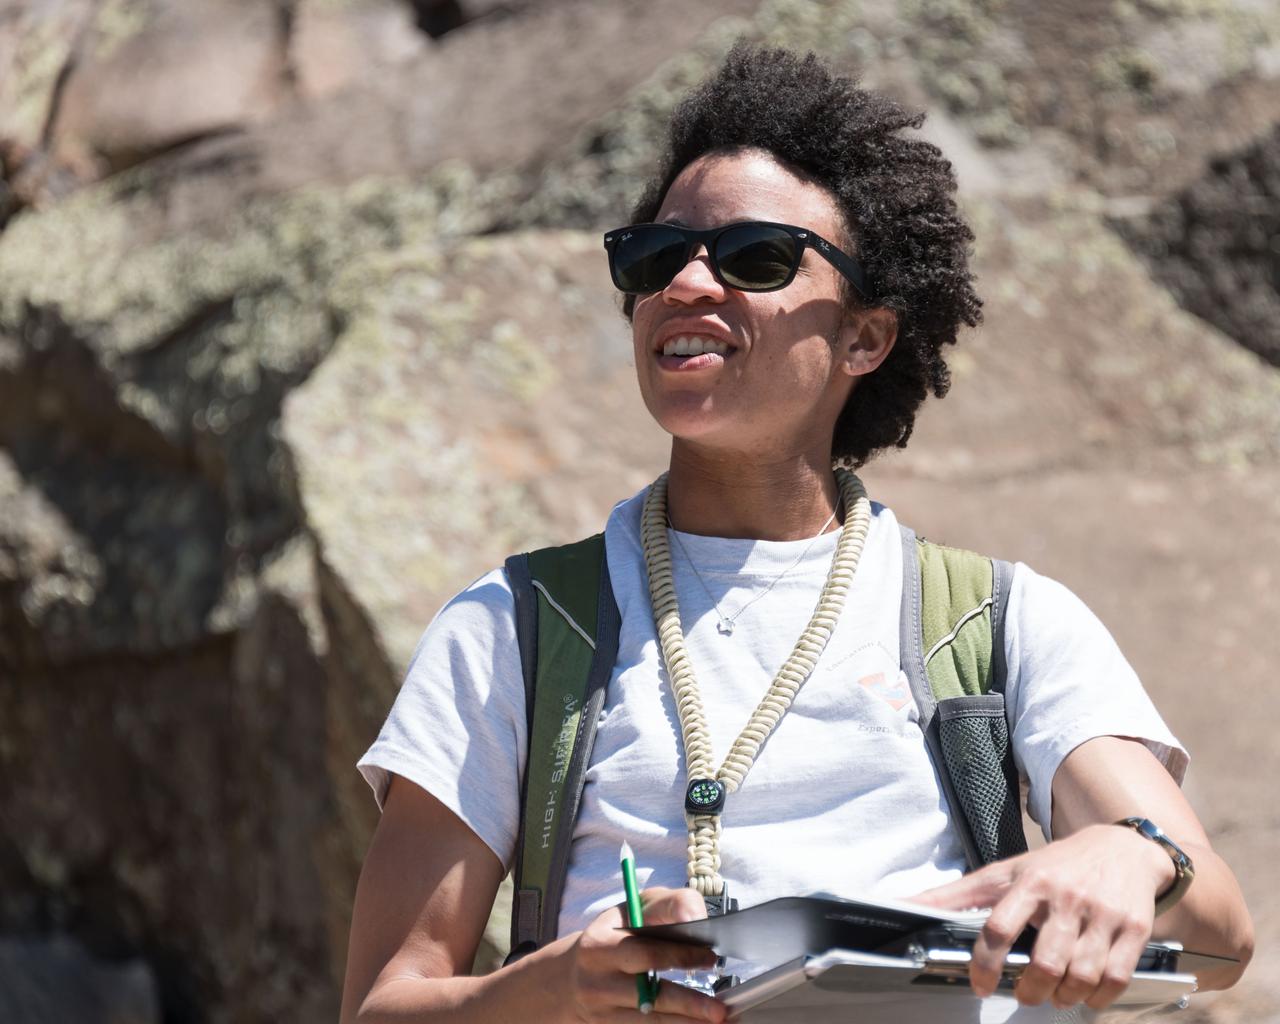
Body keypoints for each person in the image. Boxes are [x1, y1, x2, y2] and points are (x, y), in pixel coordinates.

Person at [339, 44, 1254, 1024]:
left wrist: (1130, 851)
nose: (686, 284)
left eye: (754, 257)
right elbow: (381, 1003)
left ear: (865, 337)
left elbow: (1215, 932)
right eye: (655, 258)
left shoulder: (999, 618)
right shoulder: (514, 625)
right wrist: (554, 986)